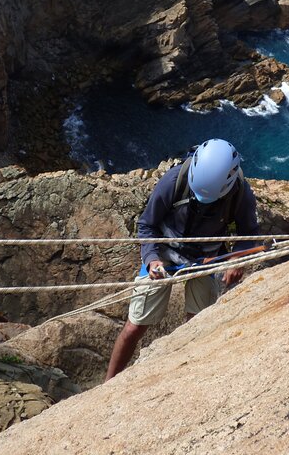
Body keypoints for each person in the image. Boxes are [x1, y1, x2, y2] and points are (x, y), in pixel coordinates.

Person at [105, 138, 259, 381]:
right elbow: (147, 225)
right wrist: (152, 260)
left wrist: (236, 260)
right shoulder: (175, 180)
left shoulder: (240, 193)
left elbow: (250, 233)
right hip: (166, 253)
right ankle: (109, 383)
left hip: (206, 258)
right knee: (135, 326)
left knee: (196, 328)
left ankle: (186, 380)